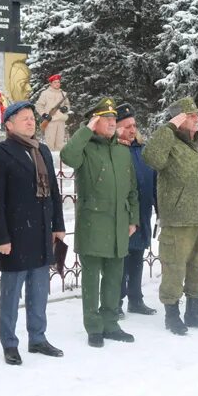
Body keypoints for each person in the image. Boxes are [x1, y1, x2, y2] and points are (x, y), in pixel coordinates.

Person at [0, 101, 66, 365]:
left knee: (39, 290)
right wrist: (1, 237)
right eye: (23, 118)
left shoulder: (41, 149)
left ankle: (38, 338)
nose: (31, 122)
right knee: (11, 293)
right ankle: (9, 343)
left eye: (32, 118)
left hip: (41, 232)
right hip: (15, 236)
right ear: (9, 125)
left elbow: (53, 191)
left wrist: (58, 225)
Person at [60, 97, 138, 347]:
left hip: (119, 225)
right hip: (93, 224)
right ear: (95, 122)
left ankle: (111, 323)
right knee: (92, 280)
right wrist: (86, 130)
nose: (113, 123)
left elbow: (132, 190)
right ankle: (94, 327)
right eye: (107, 119)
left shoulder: (122, 150)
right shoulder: (85, 148)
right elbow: (67, 156)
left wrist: (133, 219)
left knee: (115, 278)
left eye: (114, 119)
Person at [143, 97, 198, 334]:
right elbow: (152, 157)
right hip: (178, 219)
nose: (196, 119)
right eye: (190, 115)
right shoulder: (169, 144)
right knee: (174, 268)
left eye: (196, 115)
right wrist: (169, 127)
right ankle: (172, 315)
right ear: (178, 119)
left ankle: (194, 312)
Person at [114, 102, 157, 317]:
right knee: (120, 260)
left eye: (134, 125)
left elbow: (154, 178)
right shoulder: (114, 149)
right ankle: (116, 301)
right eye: (127, 125)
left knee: (137, 256)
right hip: (122, 215)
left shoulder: (141, 150)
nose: (132, 129)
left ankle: (135, 298)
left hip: (142, 212)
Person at [35, 74, 71, 152]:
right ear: (51, 83)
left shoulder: (63, 94)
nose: (57, 84)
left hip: (61, 120)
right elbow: (38, 105)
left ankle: (59, 162)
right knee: (50, 144)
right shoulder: (45, 93)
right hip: (50, 120)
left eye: (58, 82)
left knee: (60, 144)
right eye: (55, 82)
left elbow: (67, 105)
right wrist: (44, 114)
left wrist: (66, 108)